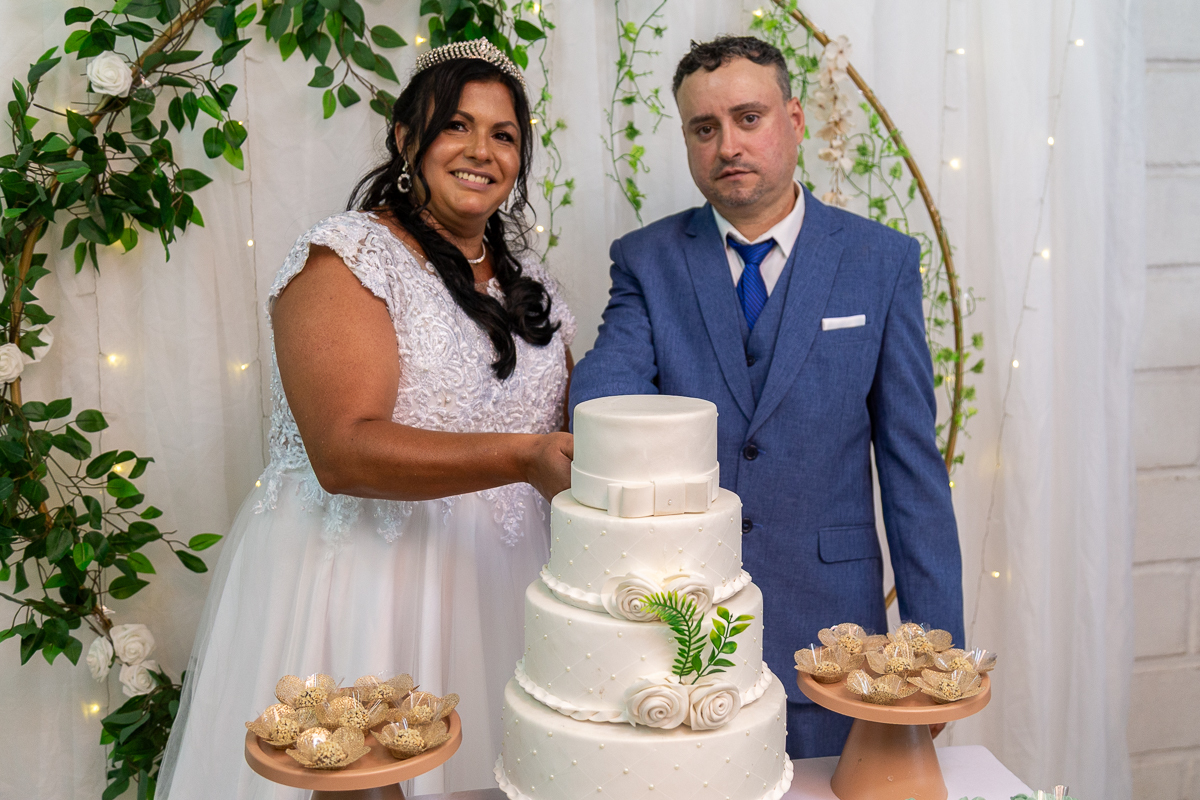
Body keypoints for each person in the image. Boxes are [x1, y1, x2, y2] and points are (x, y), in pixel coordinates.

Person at [159, 39, 574, 798]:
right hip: (363, 582)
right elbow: (343, 451)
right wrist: (522, 458)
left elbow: (565, 423)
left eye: (504, 134)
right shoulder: (346, 256)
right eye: (455, 125)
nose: (481, 150)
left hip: (500, 587)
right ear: (406, 139)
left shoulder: (532, 283)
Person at [567, 35, 964, 758]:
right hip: (681, 622)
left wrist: (939, 655)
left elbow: (913, 471)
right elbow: (605, 387)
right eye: (704, 128)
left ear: (795, 119)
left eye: (748, 118)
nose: (728, 145)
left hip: (832, 629)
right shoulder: (647, 260)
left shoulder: (881, 261)